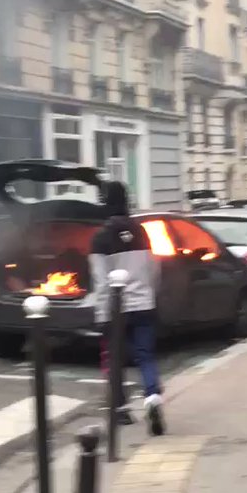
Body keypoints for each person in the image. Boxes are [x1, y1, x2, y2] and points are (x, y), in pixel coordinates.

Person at [89, 181, 165, 436]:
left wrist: (101, 314)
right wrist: (149, 293)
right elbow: (154, 269)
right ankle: (153, 397)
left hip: (116, 307)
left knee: (114, 358)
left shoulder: (100, 238)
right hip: (144, 304)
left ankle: (120, 409)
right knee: (146, 354)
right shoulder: (141, 232)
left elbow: (101, 281)